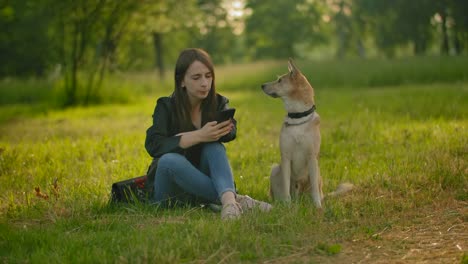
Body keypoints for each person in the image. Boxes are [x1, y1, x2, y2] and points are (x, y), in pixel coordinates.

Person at [145, 48, 272, 220]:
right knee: (169, 160)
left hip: (198, 189)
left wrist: (222, 130)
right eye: (196, 78)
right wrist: (199, 135)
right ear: (181, 81)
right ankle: (235, 198)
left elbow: (231, 132)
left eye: (208, 76)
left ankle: (229, 204)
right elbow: (154, 145)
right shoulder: (166, 106)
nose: (204, 83)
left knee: (214, 146)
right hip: (169, 193)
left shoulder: (218, 102)